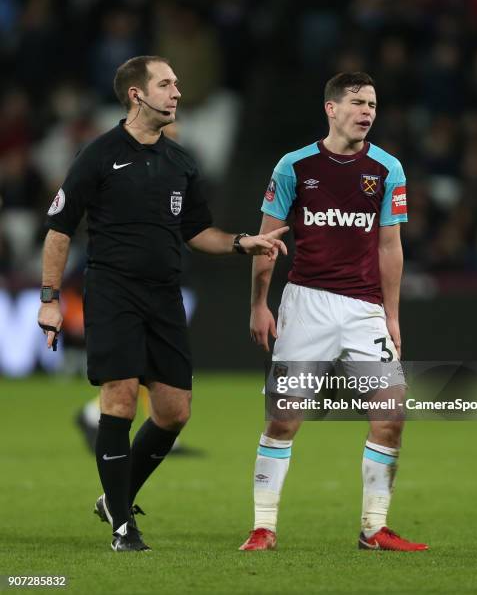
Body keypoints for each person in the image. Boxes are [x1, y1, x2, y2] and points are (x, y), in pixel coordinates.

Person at [38, 55, 287, 553]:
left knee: (174, 412)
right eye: (166, 84)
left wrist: (242, 243)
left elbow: (197, 232)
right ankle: (123, 527)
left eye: (176, 83)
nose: (177, 92)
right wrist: (49, 299)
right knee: (121, 399)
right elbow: (59, 230)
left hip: (164, 296)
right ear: (137, 94)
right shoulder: (99, 154)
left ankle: (116, 497)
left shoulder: (181, 161)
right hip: (112, 291)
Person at [239, 72, 428, 552]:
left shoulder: (388, 169)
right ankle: (263, 527)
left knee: (391, 413)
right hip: (305, 304)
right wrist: (260, 305)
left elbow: (390, 246)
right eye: (358, 102)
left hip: (364, 309)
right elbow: (267, 243)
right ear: (331, 108)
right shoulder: (294, 167)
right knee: (284, 418)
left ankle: (374, 528)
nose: (368, 111)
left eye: (373, 104)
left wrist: (392, 314)